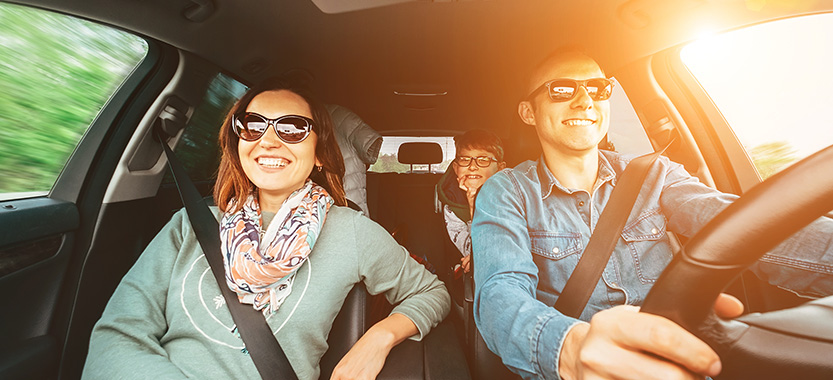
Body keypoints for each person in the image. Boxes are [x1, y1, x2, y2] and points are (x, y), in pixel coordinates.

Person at [471, 49, 833, 380]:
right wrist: (572, 349)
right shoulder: (506, 191)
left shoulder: (655, 175)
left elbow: (743, 228)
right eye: (562, 90)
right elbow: (500, 293)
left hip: (680, 365)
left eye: (599, 88)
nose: (584, 101)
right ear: (528, 112)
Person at [83, 79, 450, 380]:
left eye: (292, 128)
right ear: (239, 142)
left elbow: (432, 292)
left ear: (321, 152)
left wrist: (379, 338)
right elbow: (118, 335)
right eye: (253, 125)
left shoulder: (351, 231)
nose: (268, 140)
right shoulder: (190, 225)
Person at [436, 129, 506, 275]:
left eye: (483, 160)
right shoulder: (452, 206)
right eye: (464, 160)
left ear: (500, 169)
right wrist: (473, 203)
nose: (472, 166)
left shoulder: (513, 198)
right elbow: (472, 251)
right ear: (456, 168)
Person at [326, 103, 382, 216]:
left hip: (347, 197)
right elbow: (369, 154)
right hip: (349, 196)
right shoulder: (340, 117)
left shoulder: (339, 117)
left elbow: (370, 153)